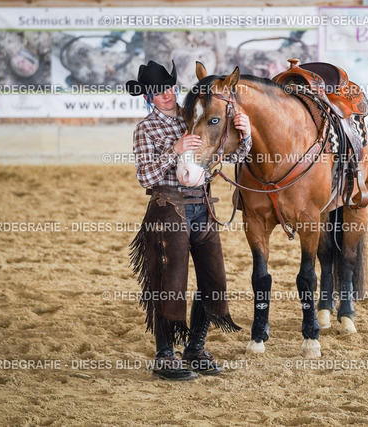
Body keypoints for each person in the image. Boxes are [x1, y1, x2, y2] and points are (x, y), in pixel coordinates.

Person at [126, 60, 252, 381]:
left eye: (169, 88)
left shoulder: (193, 115)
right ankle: (165, 355)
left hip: (202, 205)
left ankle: (195, 348)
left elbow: (232, 155)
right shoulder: (146, 129)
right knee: (169, 282)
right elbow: (145, 176)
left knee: (212, 277)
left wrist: (246, 134)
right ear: (148, 97)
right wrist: (176, 149)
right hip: (167, 207)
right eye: (159, 92)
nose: (167, 94)